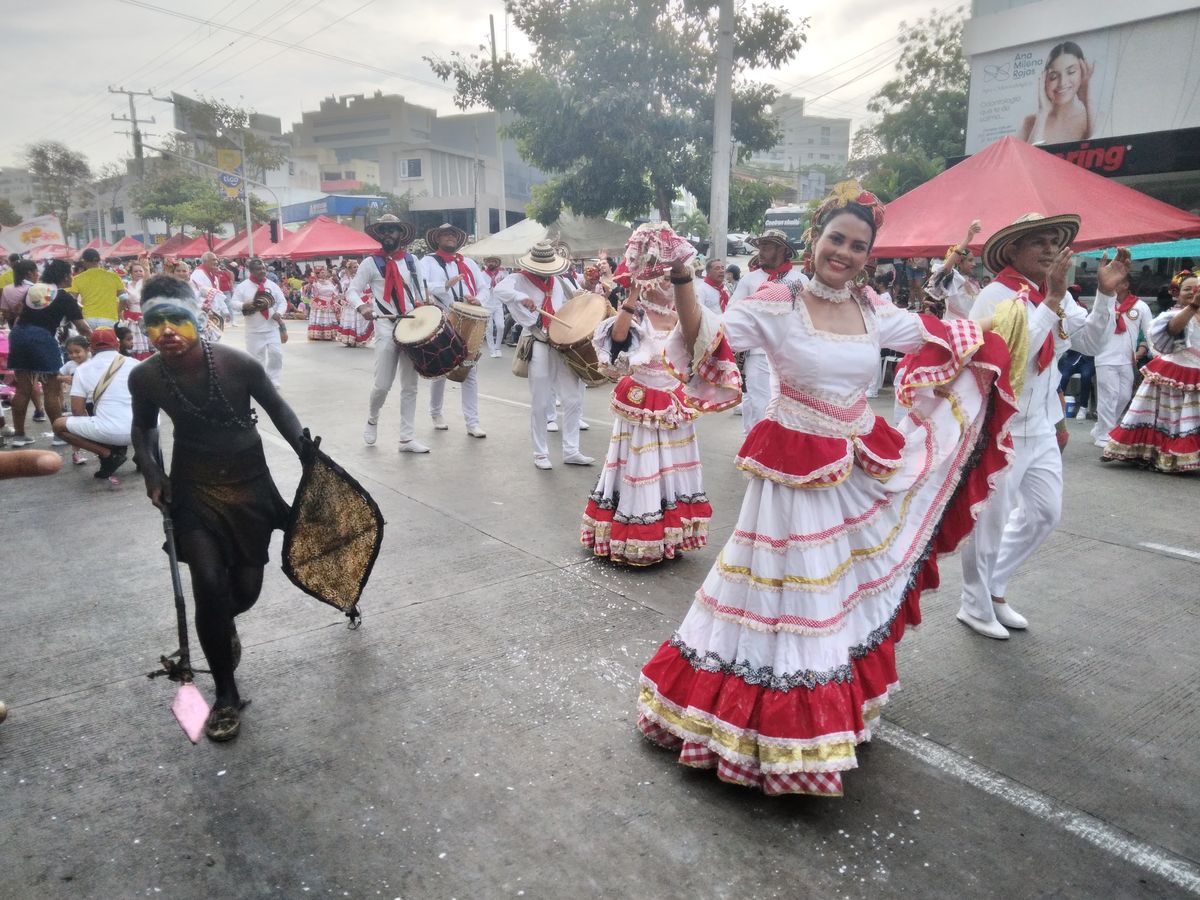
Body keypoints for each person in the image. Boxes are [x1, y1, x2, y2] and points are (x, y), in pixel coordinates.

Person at [636, 182, 1018, 797]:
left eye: (858, 245)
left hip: (857, 462)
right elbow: (710, 338)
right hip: (792, 470)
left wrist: (997, 336)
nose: (844, 252)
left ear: (870, 255)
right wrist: (683, 277)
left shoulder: (874, 311)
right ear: (815, 241)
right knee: (792, 597)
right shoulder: (773, 302)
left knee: (834, 593)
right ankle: (777, 736)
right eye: (836, 239)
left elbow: (937, 336)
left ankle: (819, 719)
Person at [129, 276, 306, 742]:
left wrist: (311, 456)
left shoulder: (238, 364)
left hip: (250, 489)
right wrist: (152, 473)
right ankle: (226, 692)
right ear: (142, 326)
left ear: (198, 318)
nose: (167, 331)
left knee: (242, 593)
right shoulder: (144, 377)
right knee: (207, 585)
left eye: (176, 319)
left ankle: (220, 630)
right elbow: (143, 431)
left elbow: (281, 411)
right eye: (155, 323)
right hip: (193, 492)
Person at [958, 214, 1131, 639]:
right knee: (990, 522)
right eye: (1039, 242)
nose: (1051, 249)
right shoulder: (995, 294)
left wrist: (1104, 296)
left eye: (1055, 241)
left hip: (1041, 425)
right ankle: (975, 605)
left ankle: (994, 587)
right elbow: (1011, 357)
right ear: (1013, 250)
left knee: (1044, 513)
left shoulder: (1055, 294)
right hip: (1000, 427)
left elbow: (1089, 343)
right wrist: (1052, 299)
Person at [582, 232, 714, 565]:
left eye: (672, 281)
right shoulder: (637, 312)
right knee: (641, 467)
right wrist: (631, 296)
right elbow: (617, 338)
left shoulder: (685, 316)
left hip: (673, 401)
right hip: (642, 400)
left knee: (672, 469)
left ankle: (672, 534)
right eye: (661, 280)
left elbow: (700, 351)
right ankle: (639, 538)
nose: (666, 286)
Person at [493, 240, 595, 469]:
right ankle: (540, 453)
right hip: (538, 341)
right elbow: (499, 290)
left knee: (572, 399)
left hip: (561, 345)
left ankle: (571, 450)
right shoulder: (517, 279)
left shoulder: (557, 281)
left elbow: (570, 307)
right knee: (540, 401)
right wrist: (521, 298)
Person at [346, 214, 432, 453]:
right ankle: (373, 418)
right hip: (385, 326)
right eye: (383, 230)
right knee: (383, 385)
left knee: (410, 385)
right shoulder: (370, 263)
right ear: (379, 234)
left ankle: (406, 438)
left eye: (392, 230)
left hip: (412, 326)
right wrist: (361, 306)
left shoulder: (413, 260)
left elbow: (420, 290)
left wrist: (428, 308)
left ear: (400, 234)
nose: (388, 234)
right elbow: (352, 291)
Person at [1102, 269, 1200, 472]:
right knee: (1167, 418)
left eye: (1196, 288)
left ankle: (1183, 456)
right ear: (1177, 293)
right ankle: (1160, 455)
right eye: (1187, 289)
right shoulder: (1173, 315)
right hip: (1174, 372)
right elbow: (1173, 329)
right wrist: (1194, 306)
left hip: (1195, 376)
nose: (1192, 292)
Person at [726, 230, 807, 433]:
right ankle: (756, 447)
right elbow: (732, 311)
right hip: (757, 352)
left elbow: (809, 317)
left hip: (792, 353)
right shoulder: (750, 280)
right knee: (759, 402)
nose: (760, 252)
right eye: (760, 247)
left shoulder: (801, 280)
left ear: (782, 249)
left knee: (790, 404)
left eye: (767, 247)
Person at [5, 264, 91, 447]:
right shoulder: (64, 297)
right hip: (42, 338)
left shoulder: (33, 290)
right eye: (71, 274)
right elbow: (83, 328)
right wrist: (97, 342)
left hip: (19, 335)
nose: (72, 277)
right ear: (66, 276)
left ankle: (19, 436)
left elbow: (18, 313)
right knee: (51, 389)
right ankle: (59, 436)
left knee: (22, 389)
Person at [419, 223, 487, 437]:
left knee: (469, 370)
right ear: (437, 239)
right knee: (441, 369)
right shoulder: (428, 261)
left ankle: (472, 422)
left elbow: (485, 287)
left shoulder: (467, 263)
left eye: (453, 234)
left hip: (468, 318)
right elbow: (420, 286)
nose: (450, 237)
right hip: (442, 317)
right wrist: (445, 285)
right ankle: (436, 412)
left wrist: (479, 299)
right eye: (445, 234)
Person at [52, 327, 138, 484]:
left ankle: (107, 454)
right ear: (118, 345)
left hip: (109, 431)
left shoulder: (82, 370)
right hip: (144, 430)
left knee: (59, 425)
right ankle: (143, 453)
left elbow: (77, 410)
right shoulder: (136, 364)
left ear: (91, 348)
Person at [1090, 273, 1155, 448]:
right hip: (1104, 356)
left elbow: (1150, 332)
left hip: (1127, 358)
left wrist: (1157, 355)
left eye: (1116, 281)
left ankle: (1100, 427)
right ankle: (1105, 434)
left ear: (1125, 284)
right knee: (1108, 396)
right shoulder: (1104, 303)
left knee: (1124, 396)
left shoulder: (1140, 307)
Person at [1018, 40, 1096, 146]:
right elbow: (1026, 160)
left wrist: (1088, 101)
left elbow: (1102, 154)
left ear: (1082, 72)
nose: (1062, 83)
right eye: (1054, 76)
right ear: (1045, 80)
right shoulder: (1030, 123)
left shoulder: (1092, 118)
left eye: (1071, 72)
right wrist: (1043, 112)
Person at [231, 258, 290, 388]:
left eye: (263, 268)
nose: (262, 271)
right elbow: (234, 303)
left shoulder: (272, 285)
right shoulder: (243, 286)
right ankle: (260, 380)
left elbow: (282, 302)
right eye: (258, 269)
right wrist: (244, 305)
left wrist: (279, 313)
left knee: (276, 354)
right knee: (256, 358)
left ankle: (273, 378)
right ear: (251, 271)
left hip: (272, 327)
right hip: (254, 329)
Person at [70, 248, 129, 329]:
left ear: (84, 261)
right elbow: (124, 298)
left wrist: (82, 309)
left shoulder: (77, 279)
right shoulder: (113, 277)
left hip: (88, 319)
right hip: (110, 319)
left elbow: (72, 301)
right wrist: (118, 312)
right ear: (98, 260)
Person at [189, 252, 230, 342]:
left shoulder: (213, 276)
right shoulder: (198, 274)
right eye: (213, 259)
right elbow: (196, 294)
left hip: (215, 313)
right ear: (205, 261)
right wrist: (203, 306)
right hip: (204, 313)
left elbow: (218, 295)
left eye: (216, 259)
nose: (216, 261)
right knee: (206, 341)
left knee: (216, 341)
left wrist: (225, 311)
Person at [337, 259, 373, 348]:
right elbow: (344, 289)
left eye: (358, 267)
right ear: (349, 269)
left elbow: (367, 288)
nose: (357, 268)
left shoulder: (362, 277)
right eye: (354, 267)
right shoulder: (346, 279)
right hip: (351, 302)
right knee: (352, 320)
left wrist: (369, 298)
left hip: (361, 300)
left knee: (361, 320)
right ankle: (350, 339)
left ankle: (359, 339)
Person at [122, 260, 154, 359]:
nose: (139, 273)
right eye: (135, 271)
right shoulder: (126, 285)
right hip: (131, 317)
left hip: (144, 315)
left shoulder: (145, 284)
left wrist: (146, 265)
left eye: (140, 271)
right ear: (131, 273)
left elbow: (148, 279)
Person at [305, 264, 342, 341]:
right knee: (320, 319)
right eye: (322, 272)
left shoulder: (330, 281)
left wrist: (338, 282)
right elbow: (308, 294)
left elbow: (337, 291)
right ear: (317, 274)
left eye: (325, 272)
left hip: (330, 303)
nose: (324, 274)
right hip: (320, 303)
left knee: (329, 319)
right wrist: (310, 284)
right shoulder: (315, 283)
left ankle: (329, 334)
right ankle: (318, 334)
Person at [479, 256, 506, 358]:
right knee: (489, 328)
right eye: (489, 261)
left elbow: (504, 287)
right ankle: (492, 350)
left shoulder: (502, 273)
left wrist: (500, 284)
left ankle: (498, 347)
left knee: (501, 326)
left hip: (498, 304)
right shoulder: (482, 274)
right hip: (487, 305)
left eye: (493, 262)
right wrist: (491, 282)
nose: (491, 263)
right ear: (486, 263)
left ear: (497, 263)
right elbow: (482, 289)